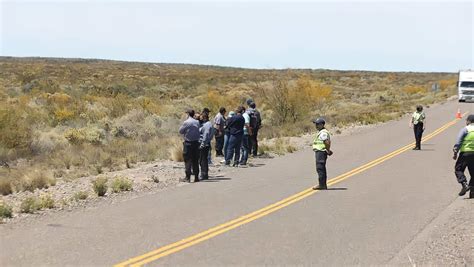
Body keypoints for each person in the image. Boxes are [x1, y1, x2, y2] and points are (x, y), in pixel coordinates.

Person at [452, 114, 474, 198]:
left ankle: (464, 184)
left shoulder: (465, 129)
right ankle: (472, 192)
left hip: (465, 153)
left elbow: (458, 142)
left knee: (458, 169)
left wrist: (455, 153)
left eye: (466, 120)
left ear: (469, 121)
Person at [178, 109, 200, 183]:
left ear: (188, 114)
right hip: (196, 143)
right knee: (195, 160)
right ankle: (196, 177)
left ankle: (188, 177)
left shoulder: (186, 122)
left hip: (188, 143)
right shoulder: (197, 122)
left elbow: (180, 131)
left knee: (188, 160)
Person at [312, 118, 333, 190]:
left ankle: (322, 185)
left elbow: (326, 142)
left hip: (321, 152)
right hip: (319, 151)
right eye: (316, 124)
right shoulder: (321, 132)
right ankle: (322, 184)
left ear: (322, 125)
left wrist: (328, 150)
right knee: (320, 168)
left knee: (320, 168)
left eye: (318, 124)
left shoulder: (323, 133)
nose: (316, 126)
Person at [199, 113, 214, 180]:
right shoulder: (207, 124)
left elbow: (206, 135)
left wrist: (202, 144)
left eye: (201, 117)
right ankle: (204, 174)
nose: (200, 118)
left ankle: (204, 175)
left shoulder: (207, 125)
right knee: (203, 160)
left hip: (204, 145)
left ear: (204, 117)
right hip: (205, 144)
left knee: (203, 160)